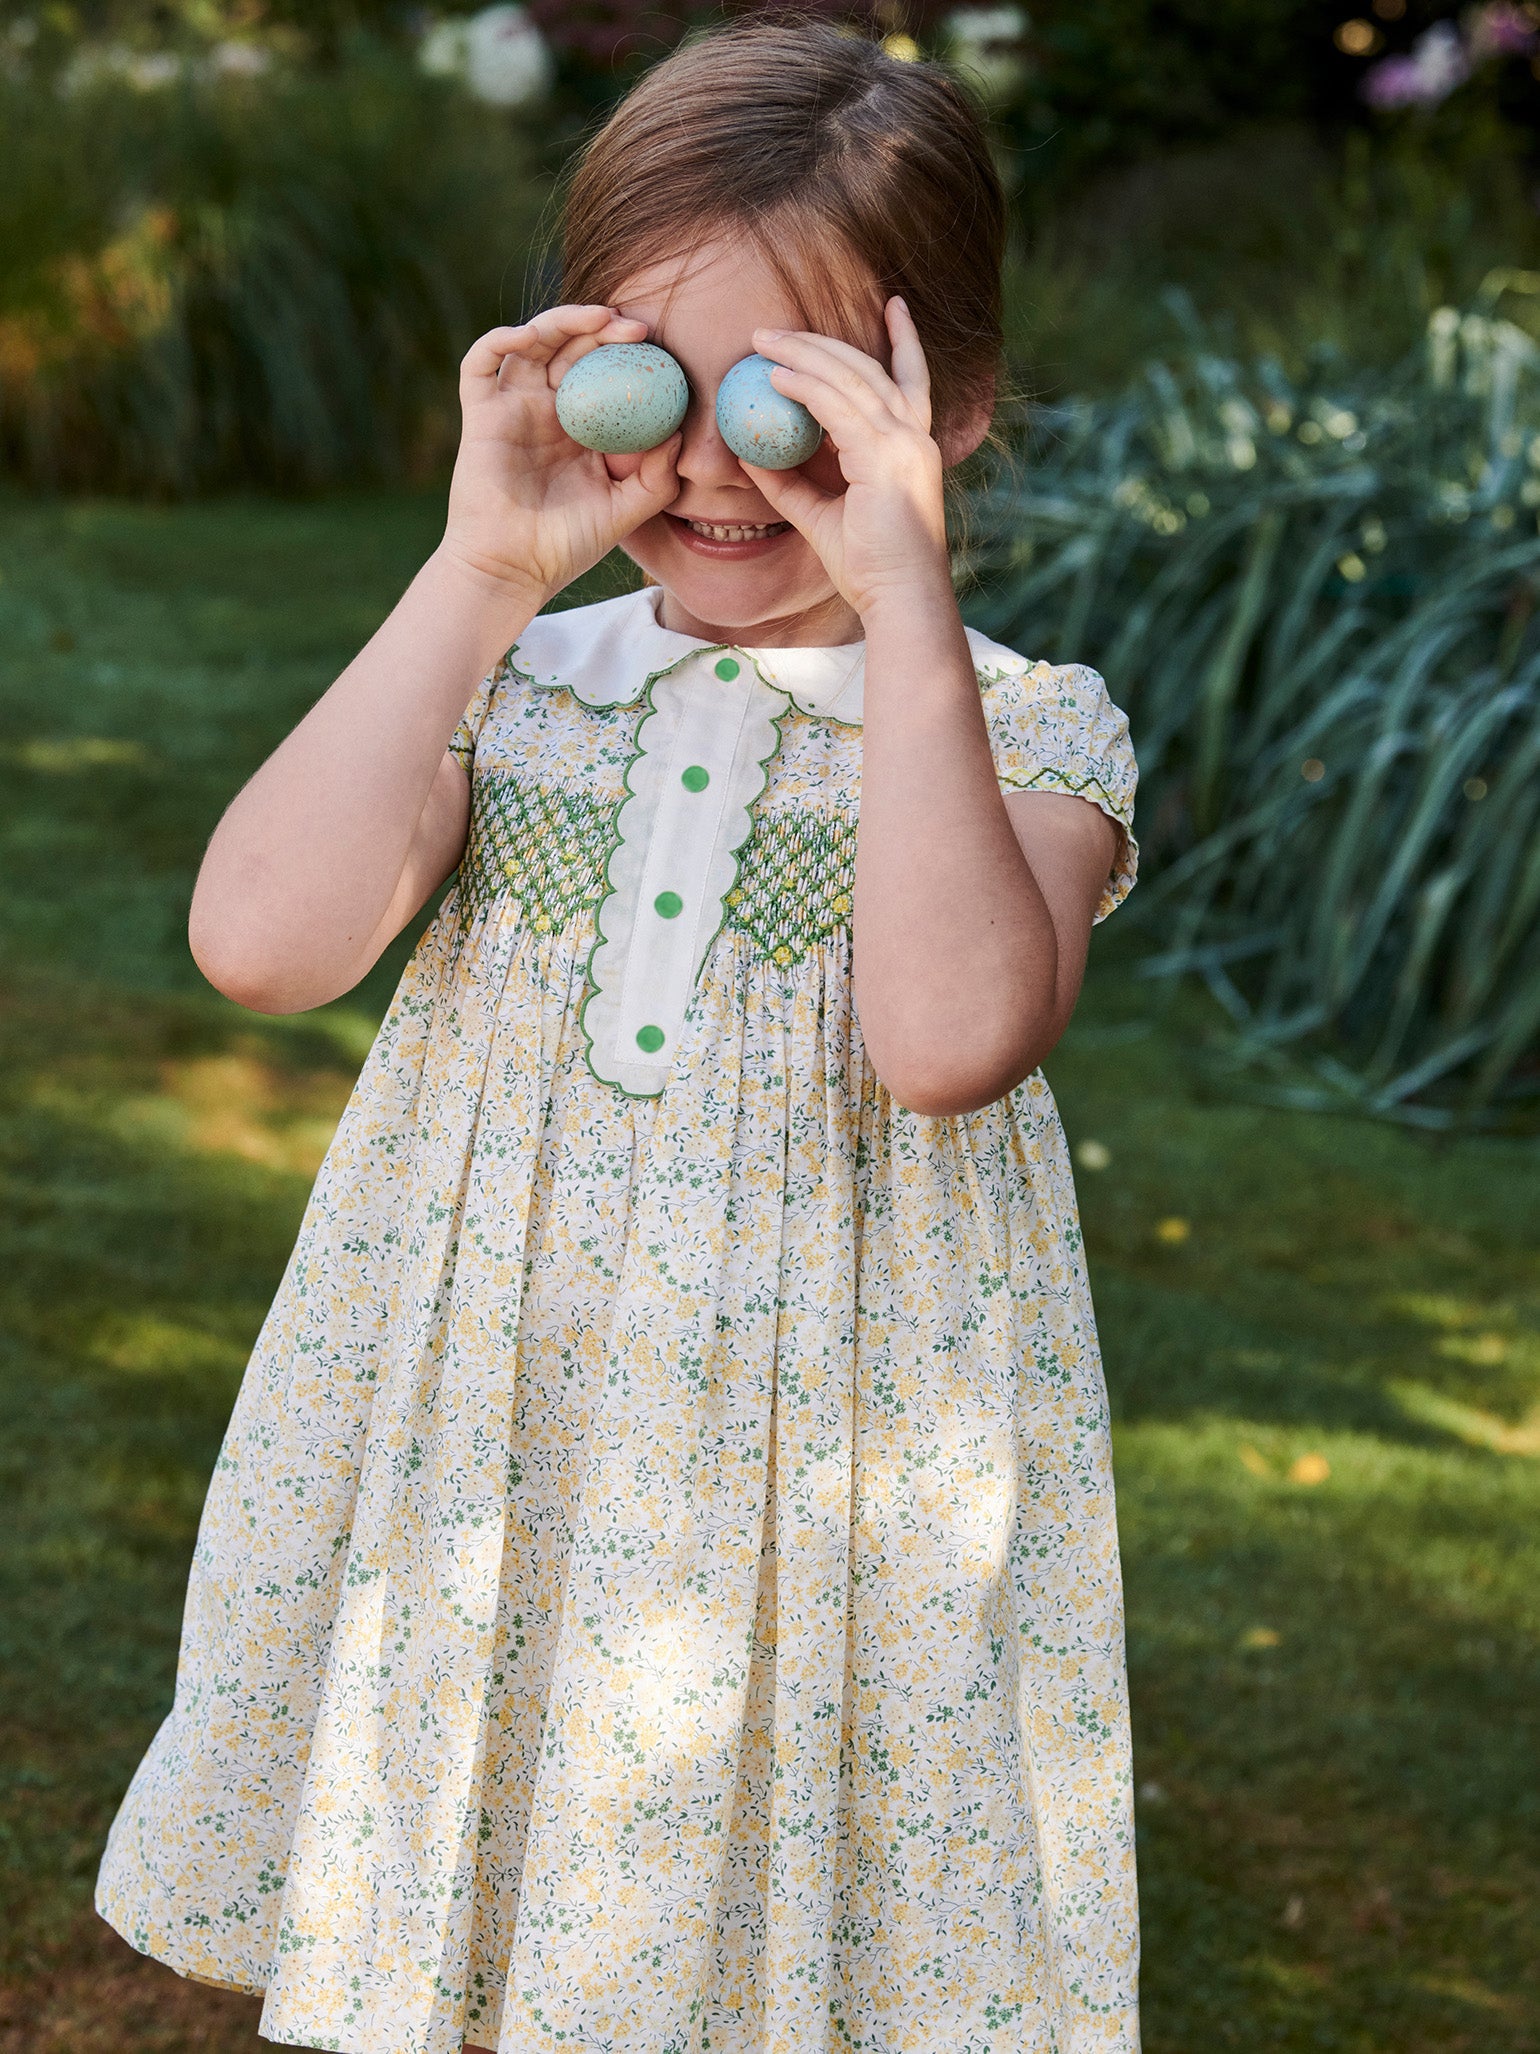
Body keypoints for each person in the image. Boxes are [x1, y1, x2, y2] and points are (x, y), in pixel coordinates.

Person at [96, 20, 1141, 2052]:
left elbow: (944, 1035)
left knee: (765, 1926)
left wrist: (903, 602)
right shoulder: (518, 675)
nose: (717, 471)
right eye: (658, 383)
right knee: (471, 1899)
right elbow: (261, 941)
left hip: (809, 1474)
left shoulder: (1020, 730)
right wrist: (481, 569)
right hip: (495, 1418)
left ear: (954, 404)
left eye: (797, 405)